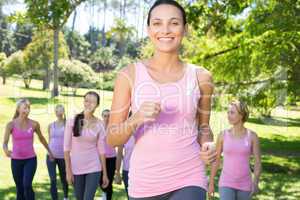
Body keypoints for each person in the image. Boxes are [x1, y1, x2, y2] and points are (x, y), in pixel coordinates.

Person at [106, 0, 216, 199]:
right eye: (157, 23)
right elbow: (112, 137)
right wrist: (135, 118)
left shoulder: (202, 77)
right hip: (144, 183)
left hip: (189, 176)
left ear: (185, 28)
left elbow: (204, 128)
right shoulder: (128, 75)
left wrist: (209, 145)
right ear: (149, 30)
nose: (165, 30)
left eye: (174, 23)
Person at [208, 100, 262, 200]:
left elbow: (258, 162)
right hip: (226, 183)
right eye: (228, 112)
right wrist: (211, 183)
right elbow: (216, 160)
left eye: (232, 112)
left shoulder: (252, 136)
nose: (229, 115)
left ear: (241, 115)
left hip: (245, 185)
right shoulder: (223, 135)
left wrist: (255, 182)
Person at [2, 98, 54, 200]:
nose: (27, 110)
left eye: (29, 108)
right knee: (19, 188)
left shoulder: (34, 124)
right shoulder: (11, 124)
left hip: (30, 159)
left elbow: (42, 138)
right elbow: (4, 142)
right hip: (16, 160)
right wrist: (5, 150)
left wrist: (50, 151)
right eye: (25, 107)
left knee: (26, 184)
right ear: (18, 109)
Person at [64, 91, 109, 200]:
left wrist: (105, 174)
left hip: (94, 167)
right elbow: (66, 148)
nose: (89, 104)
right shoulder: (73, 120)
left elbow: (102, 150)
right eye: (87, 101)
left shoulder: (99, 124)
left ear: (97, 105)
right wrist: (68, 171)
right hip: (76, 167)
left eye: (92, 102)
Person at [47, 104, 69, 200]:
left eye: (60, 111)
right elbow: (49, 140)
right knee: (53, 179)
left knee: (64, 179)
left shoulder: (68, 124)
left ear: (63, 112)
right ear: (55, 112)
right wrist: (49, 153)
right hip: (51, 155)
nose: (59, 113)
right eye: (57, 111)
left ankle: (65, 197)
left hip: (63, 156)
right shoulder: (50, 125)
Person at [99, 109, 117, 200]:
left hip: (112, 157)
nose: (107, 118)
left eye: (108, 116)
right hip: (101, 158)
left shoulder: (113, 128)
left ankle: (107, 197)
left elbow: (118, 141)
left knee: (109, 179)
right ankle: (104, 192)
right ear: (102, 116)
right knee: (101, 179)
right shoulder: (99, 127)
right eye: (105, 116)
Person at [115, 135, 135, 199]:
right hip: (127, 171)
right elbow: (119, 154)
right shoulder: (124, 134)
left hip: (143, 171)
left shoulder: (144, 132)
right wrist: (117, 173)